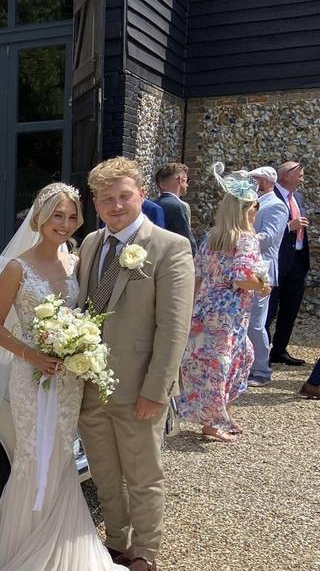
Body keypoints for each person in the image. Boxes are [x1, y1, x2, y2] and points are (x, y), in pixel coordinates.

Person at [0, 182, 126, 571]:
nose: (66, 224)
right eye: (58, 215)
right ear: (39, 216)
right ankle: (27, 548)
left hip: (69, 377)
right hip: (30, 375)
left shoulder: (75, 261)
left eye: (72, 217)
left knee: (62, 455)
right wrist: (33, 355)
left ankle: (62, 544)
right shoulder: (17, 267)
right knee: (35, 454)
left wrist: (79, 347)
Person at [77, 157, 194, 571]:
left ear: (141, 194)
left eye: (124, 196)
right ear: (95, 203)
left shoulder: (169, 246)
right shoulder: (90, 244)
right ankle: (117, 539)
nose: (117, 205)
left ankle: (146, 551)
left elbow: (173, 327)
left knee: (144, 477)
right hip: (89, 385)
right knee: (105, 475)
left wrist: (156, 391)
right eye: (107, 199)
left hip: (139, 387)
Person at [178, 163, 268, 442]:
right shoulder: (246, 240)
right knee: (228, 365)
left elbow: (197, 275)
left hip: (205, 310)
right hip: (229, 316)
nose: (257, 212)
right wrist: (263, 286)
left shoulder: (211, 238)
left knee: (216, 364)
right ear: (245, 210)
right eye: (255, 208)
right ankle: (213, 424)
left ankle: (219, 416)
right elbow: (242, 279)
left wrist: (190, 309)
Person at [246, 167, 287, 387]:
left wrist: (239, 235)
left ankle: (262, 370)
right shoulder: (252, 202)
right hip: (246, 269)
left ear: (267, 182)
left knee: (255, 324)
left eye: (256, 180)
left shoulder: (276, 205)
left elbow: (269, 238)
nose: (252, 184)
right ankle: (248, 366)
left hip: (262, 270)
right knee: (245, 323)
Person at [266, 161, 309, 366]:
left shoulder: (297, 197)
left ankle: (280, 349)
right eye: (298, 174)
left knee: (290, 309)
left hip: (298, 261)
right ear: (284, 175)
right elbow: (262, 228)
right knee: (269, 308)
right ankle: (261, 353)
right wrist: (289, 227)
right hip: (278, 260)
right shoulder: (270, 195)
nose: (302, 177)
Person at [155, 162, 198, 254]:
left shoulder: (150, 204)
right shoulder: (179, 206)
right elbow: (187, 241)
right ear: (181, 180)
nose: (187, 185)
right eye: (187, 181)